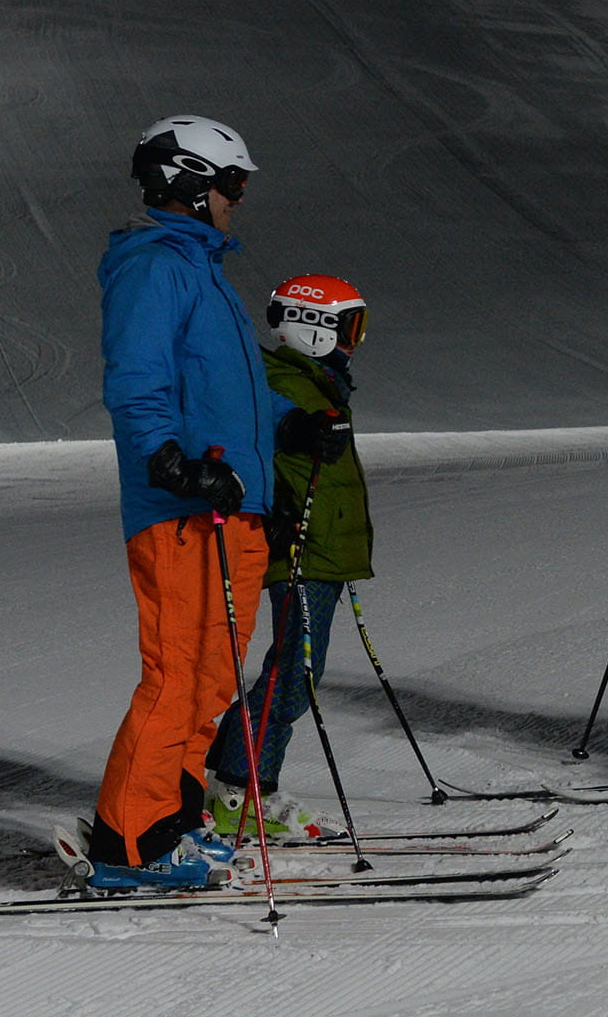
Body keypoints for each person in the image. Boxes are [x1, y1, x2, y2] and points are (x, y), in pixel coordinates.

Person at [77, 115, 301, 890]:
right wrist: (169, 462)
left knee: (210, 682)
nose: (238, 199)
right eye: (231, 183)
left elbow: (232, 395)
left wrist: (290, 423)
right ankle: (126, 844)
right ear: (188, 183)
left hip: (233, 507)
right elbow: (136, 380)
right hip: (182, 507)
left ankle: (174, 820)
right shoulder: (154, 267)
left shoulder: (206, 273)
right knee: (175, 676)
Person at [205, 274, 366, 840]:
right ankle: (236, 791)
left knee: (295, 671)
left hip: (323, 548)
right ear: (314, 328)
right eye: (349, 326)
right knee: (293, 675)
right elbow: (253, 454)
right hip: (301, 549)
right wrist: (275, 520)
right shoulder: (282, 383)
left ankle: (245, 786)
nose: (354, 339)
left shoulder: (314, 384)